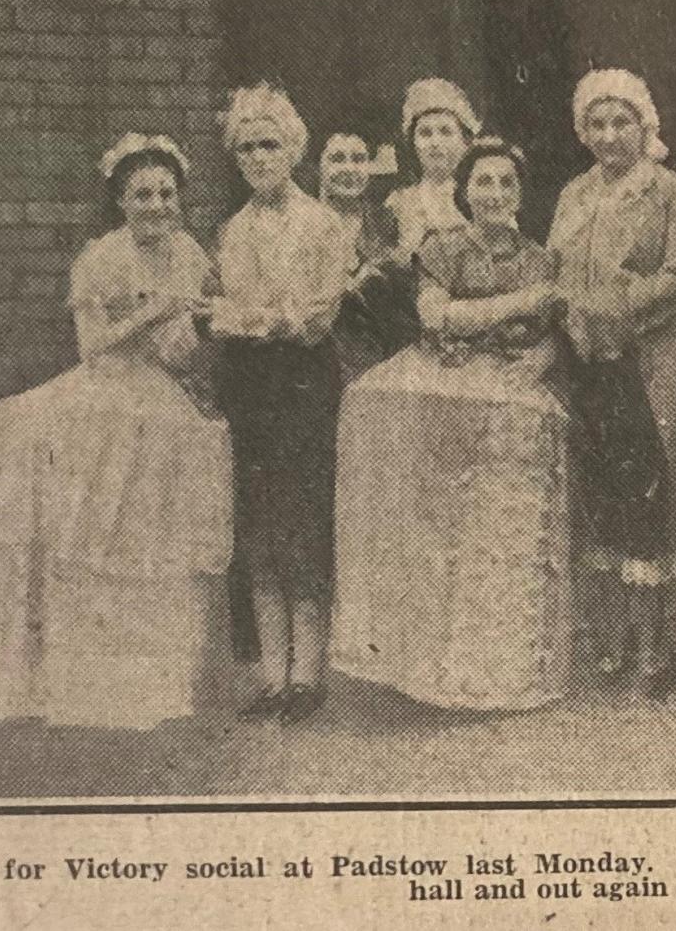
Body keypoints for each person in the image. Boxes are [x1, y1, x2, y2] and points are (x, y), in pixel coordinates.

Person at [0, 134, 232, 728]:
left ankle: (155, 682)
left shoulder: (190, 251)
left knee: (156, 531)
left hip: (160, 395)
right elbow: (91, 345)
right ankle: (87, 683)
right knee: (97, 529)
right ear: (121, 200)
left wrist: (194, 324)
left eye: (167, 194)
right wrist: (153, 310)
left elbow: (183, 349)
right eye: (143, 195)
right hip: (103, 396)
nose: (157, 206)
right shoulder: (100, 258)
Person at [334, 138, 572, 710]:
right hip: (442, 386)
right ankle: (427, 669)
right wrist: (521, 304)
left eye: (506, 183)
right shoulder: (442, 248)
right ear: (464, 191)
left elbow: (550, 333)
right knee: (437, 526)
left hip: (508, 393)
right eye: (483, 183)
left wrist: (540, 356)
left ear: (520, 192)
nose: (494, 194)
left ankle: (497, 668)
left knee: (500, 528)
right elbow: (436, 316)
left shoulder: (539, 257)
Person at [549, 69, 676, 692]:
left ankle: (656, 643)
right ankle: (610, 634)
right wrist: (569, 312)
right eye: (598, 124)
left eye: (623, 122)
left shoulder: (671, 192)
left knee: (653, 489)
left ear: (645, 126)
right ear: (584, 131)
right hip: (587, 359)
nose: (611, 136)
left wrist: (609, 306)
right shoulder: (573, 194)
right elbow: (555, 266)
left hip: (648, 357)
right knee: (601, 490)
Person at [212, 85, 356, 725]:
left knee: (303, 527)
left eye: (269, 144)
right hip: (252, 389)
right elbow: (220, 312)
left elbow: (320, 315)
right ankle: (273, 678)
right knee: (261, 532)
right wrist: (252, 320)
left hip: (303, 385)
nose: (258, 157)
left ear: (293, 148)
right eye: (246, 148)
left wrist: (256, 320)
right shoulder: (232, 230)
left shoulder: (325, 225)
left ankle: (308, 677)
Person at [318, 127, 418, 380]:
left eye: (359, 159)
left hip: (379, 357)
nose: (349, 169)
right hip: (321, 358)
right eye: (337, 159)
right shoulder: (302, 222)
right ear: (319, 165)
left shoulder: (387, 221)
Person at [386, 78, 479, 258]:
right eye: (425, 133)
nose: (435, 143)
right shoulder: (397, 203)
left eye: (445, 132)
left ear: (465, 141)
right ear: (413, 143)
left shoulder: (482, 197)